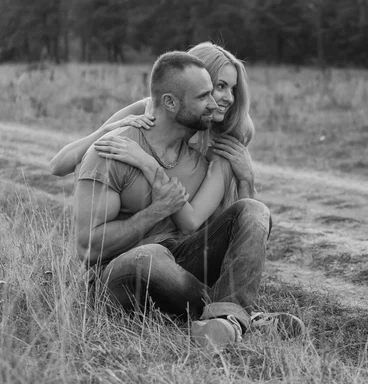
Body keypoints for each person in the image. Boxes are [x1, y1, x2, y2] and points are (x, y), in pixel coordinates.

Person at [73, 50, 275, 350]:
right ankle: (244, 317)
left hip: (176, 261)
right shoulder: (113, 151)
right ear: (170, 102)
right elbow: (89, 249)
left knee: (254, 210)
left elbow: (199, 229)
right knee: (149, 256)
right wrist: (157, 211)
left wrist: (245, 181)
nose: (217, 103)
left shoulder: (199, 161)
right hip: (119, 271)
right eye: (205, 96)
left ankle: (228, 322)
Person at [50, 42, 256, 219]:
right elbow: (58, 166)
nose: (229, 98)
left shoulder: (235, 127)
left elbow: (242, 219)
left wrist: (247, 178)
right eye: (220, 86)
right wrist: (107, 129)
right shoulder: (146, 111)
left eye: (233, 89)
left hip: (203, 233)